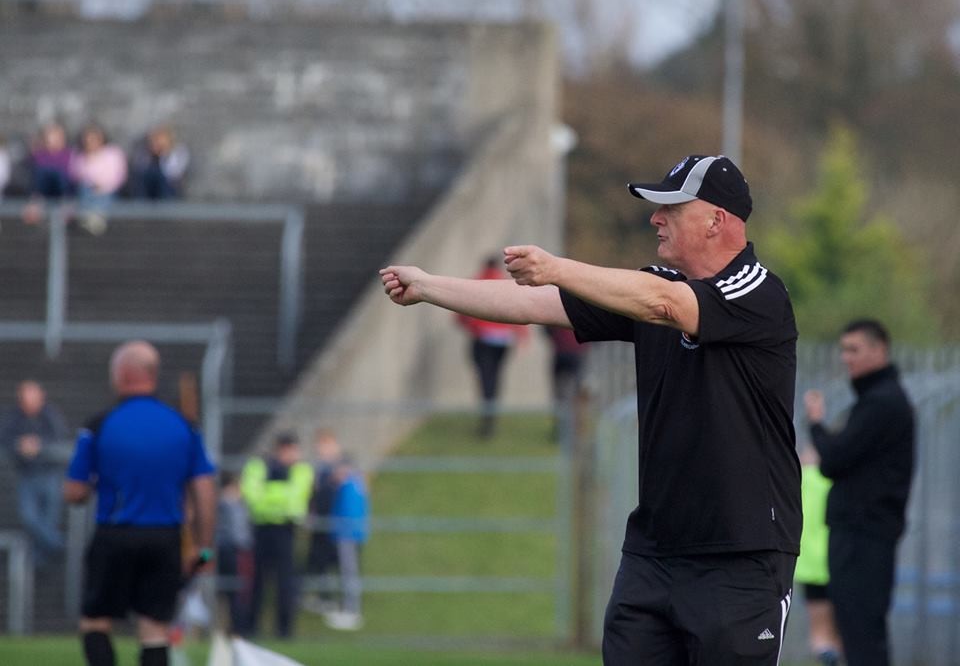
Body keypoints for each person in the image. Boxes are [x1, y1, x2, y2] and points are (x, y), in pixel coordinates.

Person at [381, 154, 801, 665]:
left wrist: (557, 267)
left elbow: (665, 304)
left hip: (740, 556)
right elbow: (535, 304)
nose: (655, 218)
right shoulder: (654, 288)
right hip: (653, 554)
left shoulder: (756, 291)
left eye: (671, 208)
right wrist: (428, 286)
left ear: (716, 220)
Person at [63, 341, 218, 666]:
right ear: (152, 374)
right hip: (166, 538)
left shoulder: (99, 425)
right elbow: (204, 490)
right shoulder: (183, 426)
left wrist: (97, 482)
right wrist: (204, 550)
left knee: (96, 621)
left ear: (120, 374)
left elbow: (74, 492)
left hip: (114, 536)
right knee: (154, 630)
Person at [804, 319, 915, 666]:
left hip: (863, 536)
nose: (846, 358)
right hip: (863, 533)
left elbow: (834, 459)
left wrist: (816, 425)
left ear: (879, 350)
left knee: (862, 634)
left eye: (854, 349)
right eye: (843, 350)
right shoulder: (879, 400)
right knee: (858, 632)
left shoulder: (881, 403)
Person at [240, 432, 314, 639]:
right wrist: (281, 495)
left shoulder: (301, 470)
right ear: (281, 449)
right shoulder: (258, 466)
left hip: (286, 530)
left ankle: (284, 631)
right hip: (261, 529)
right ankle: (251, 628)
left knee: (286, 583)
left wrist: (268, 494)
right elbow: (253, 499)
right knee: (256, 582)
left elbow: (295, 503)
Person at [455, 256, 528, 437]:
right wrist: (521, 336)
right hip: (503, 342)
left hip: (482, 340)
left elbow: (460, 316)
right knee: (495, 377)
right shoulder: (506, 284)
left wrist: (474, 328)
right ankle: (491, 414)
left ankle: (487, 417)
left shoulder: (477, 282)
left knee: (485, 379)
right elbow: (520, 311)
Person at [0, 379, 71, 565]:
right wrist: (19, 445)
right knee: (29, 517)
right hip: (28, 475)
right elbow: (5, 438)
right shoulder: (14, 417)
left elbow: (59, 438)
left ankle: (40, 561)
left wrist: (39, 445)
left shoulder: (51, 415)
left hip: (50, 475)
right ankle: (58, 545)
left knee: (48, 520)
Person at [794, 445, 842, 666]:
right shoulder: (837, 478)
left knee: (818, 626)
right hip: (837, 560)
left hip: (810, 564)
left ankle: (823, 654)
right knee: (840, 624)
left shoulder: (801, 477)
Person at [323, 455, 370, 632]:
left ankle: (351, 611)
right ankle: (349, 608)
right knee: (348, 572)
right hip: (351, 535)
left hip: (347, 535)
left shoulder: (349, 486)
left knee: (349, 572)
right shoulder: (357, 484)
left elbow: (346, 513)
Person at [303, 428, 342, 615]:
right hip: (319, 522)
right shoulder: (317, 469)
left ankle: (329, 599)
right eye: (319, 445)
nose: (321, 449)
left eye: (326, 445)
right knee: (317, 560)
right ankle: (320, 597)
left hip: (334, 523)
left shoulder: (340, 468)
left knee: (329, 561)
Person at [70, 123, 128, 234]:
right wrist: (89, 160)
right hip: (87, 191)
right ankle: (89, 218)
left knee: (102, 196)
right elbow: (75, 176)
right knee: (85, 189)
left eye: (93, 139)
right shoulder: (79, 155)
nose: (90, 143)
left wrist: (103, 186)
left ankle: (95, 219)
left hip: (109, 191)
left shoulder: (113, 153)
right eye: (87, 140)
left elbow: (119, 177)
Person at [215, 471, 254, 635]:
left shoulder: (238, 505)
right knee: (228, 590)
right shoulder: (230, 505)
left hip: (229, 552)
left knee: (236, 591)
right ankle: (229, 628)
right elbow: (240, 535)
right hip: (228, 552)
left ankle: (236, 628)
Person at [22, 121, 75, 224]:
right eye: (50, 137)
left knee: (59, 175)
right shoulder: (39, 155)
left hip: (63, 190)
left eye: (57, 137)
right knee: (42, 173)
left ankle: (66, 207)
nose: (53, 140)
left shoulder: (69, 154)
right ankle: (35, 205)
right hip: (43, 191)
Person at [544, 324, 590, 442]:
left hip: (565, 353)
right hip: (573, 354)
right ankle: (568, 431)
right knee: (571, 396)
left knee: (565, 396)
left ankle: (567, 431)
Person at [130, 124, 190, 200]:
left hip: (170, 187)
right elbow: (139, 169)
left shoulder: (179, 151)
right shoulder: (145, 152)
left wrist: (164, 155)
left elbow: (174, 173)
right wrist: (152, 155)